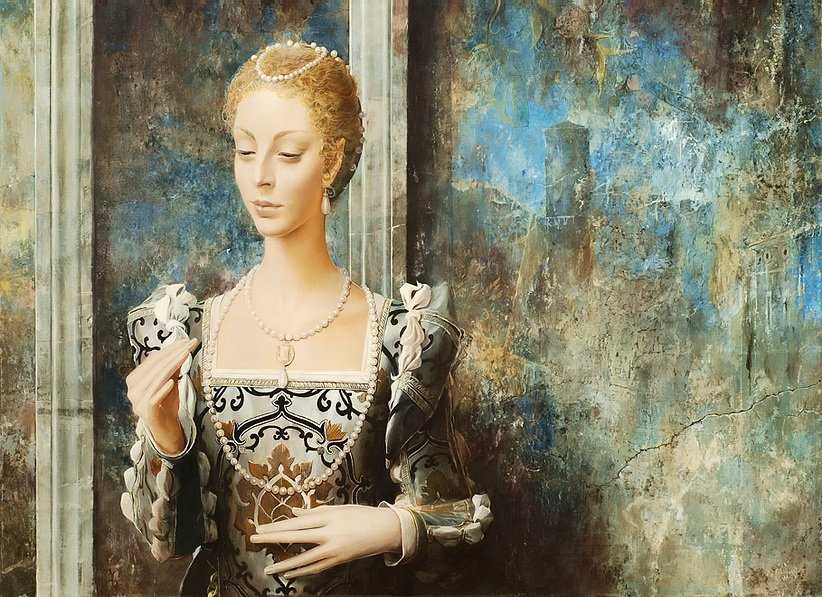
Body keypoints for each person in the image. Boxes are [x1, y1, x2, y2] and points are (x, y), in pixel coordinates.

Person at [120, 39, 492, 596]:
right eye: (246, 151)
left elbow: (455, 524)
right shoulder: (189, 332)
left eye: (288, 154)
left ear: (332, 161)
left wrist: (391, 527)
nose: (261, 177)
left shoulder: (399, 337)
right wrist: (165, 433)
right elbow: (169, 542)